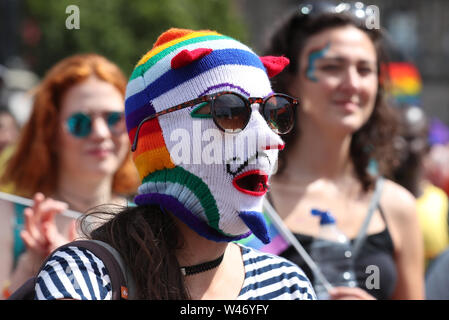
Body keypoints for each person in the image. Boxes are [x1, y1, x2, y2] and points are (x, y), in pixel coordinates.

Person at [31, 28, 316, 300]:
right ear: (161, 139)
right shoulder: (86, 275)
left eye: (271, 112)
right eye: (229, 111)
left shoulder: (288, 284)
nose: (270, 139)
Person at [264, 2, 424, 299]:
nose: (352, 84)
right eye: (331, 67)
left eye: (365, 70)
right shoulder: (250, 197)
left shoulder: (397, 207)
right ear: (292, 81)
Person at [0, 54, 140, 298]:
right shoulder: (9, 217)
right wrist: (32, 268)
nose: (100, 133)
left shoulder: (146, 222)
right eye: (80, 122)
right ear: (50, 133)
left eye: (114, 119)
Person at [392, 106, 449, 268]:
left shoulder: (441, 204)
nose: (399, 145)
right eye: (394, 136)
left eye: (409, 138)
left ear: (427, 147)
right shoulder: (372, 203)